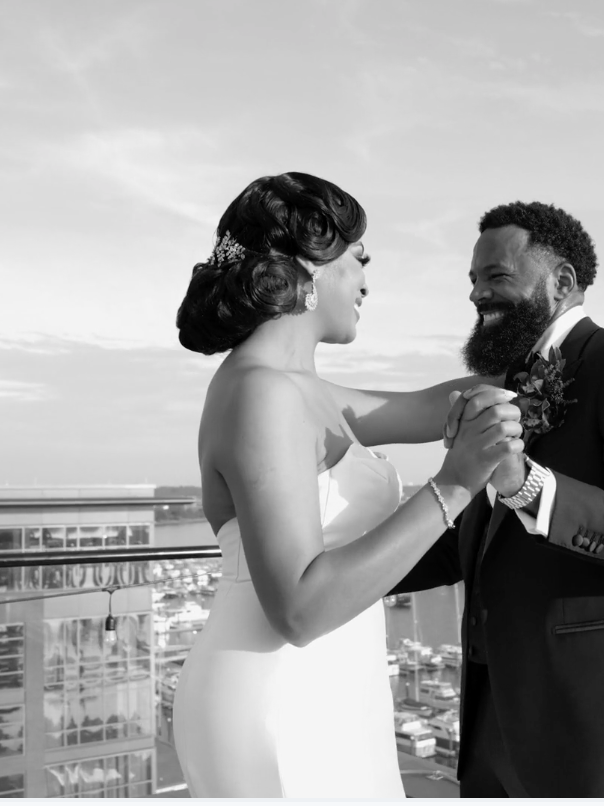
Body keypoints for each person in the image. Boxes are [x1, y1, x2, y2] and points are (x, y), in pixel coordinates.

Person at [171, 172, 523, 798]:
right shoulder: (262, 394)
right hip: (281, 696)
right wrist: (455, 486)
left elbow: (438, 403)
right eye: (359, 259)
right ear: (308, 268)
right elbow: (300, 610)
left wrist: (562, 340)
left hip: (332, 689)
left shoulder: (301, 391)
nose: (368, 281)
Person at [393, 201, 604, 797]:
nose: (477, 294)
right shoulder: (500, 387)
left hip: (597, 731)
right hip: (493, 732)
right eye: (474, 280)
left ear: (561, 281)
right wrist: (340, 574)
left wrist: (528, 485)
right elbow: (472, 547)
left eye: (496, 276)